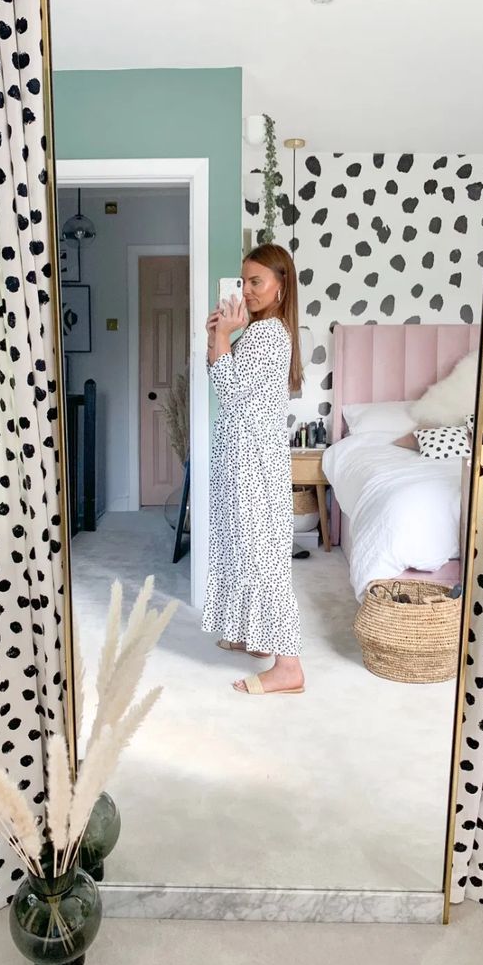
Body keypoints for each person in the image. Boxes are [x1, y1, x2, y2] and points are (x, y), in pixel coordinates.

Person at [202, 243, 304, 694]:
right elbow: (229, 381)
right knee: (246, 549)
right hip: (245, 459)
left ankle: (289, 667)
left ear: (281, 288)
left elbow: (231, 394)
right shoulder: (262, 333)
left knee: (263, 558)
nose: (247, 289)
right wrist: (217, 338)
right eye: (243, 280)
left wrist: (223, 340)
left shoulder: (267, 335)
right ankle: (255, 637)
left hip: (252, 466)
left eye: (256, 281)